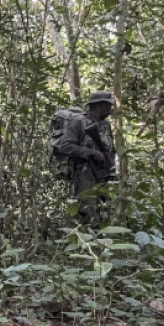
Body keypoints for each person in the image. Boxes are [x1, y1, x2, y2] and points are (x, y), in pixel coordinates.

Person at [57, 91, 116, 226]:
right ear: (98, 106)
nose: (110, 109)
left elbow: (111, 150)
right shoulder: (78, 122)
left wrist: (112, 169)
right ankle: (89, 243)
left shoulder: (106, 125)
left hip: (103, 173)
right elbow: (64, 146)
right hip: (85, 172)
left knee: (105, 208)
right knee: (88, 210)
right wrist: (90, 152)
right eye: (108, 106)